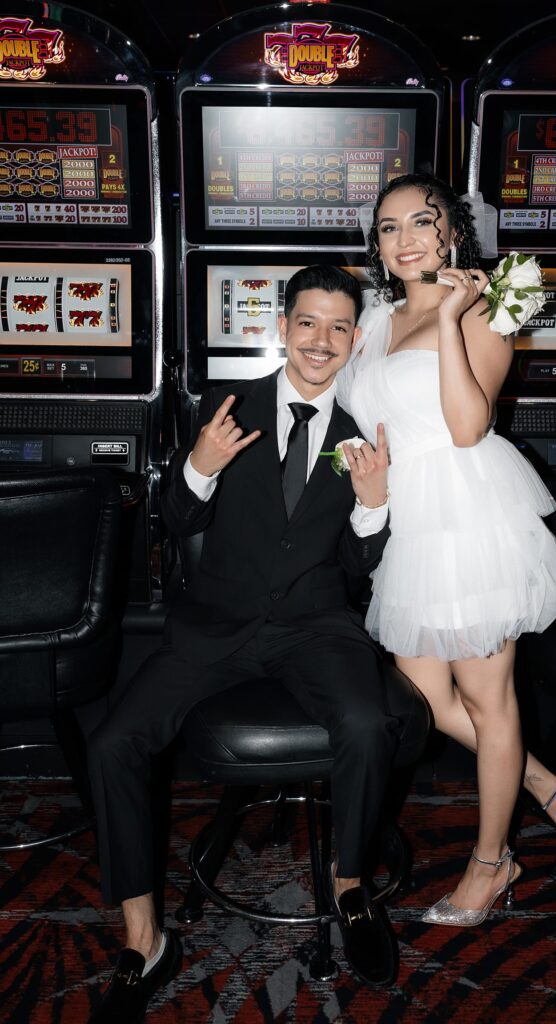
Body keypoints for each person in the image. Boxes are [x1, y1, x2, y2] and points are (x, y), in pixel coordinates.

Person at [86, 265, 428, 1020]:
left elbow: (357, 567)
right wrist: (198, 469)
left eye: (339, 327)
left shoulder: (363, 432)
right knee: (113, 743)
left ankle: (349, 888)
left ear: (354, 339)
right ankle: (144, 939)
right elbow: (175, 522)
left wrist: (373, 510)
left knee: (368, 725)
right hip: (214, 624)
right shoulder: (226, 406)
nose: (321, 341)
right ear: (281, 328)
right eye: (307, 322)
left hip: (314, 626)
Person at [336, 173, 556, 928]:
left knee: (488, 698)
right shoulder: (377, 321)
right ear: (377, 247)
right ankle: (554, 790)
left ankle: (491, 862)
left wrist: (451, 318)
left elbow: (463, 427)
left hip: (468, 511)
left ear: (452, 233)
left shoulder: (490, 305)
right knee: (426, 695)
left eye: (423, 221)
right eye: (389, 227)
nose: (406, 237)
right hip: (405, 520)